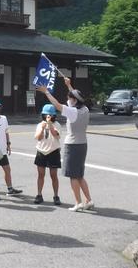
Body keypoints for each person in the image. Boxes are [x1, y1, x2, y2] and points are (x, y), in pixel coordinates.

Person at [38, 77, 94, 212]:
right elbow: (75, 97)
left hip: (73, 145)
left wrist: (46, 92)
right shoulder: (85, 109)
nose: (68, 100)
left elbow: (56, 105)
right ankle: (89, 200)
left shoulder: (72, 112)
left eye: (70, 98)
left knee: (73, 175)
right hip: (83, 144)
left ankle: (78, 202)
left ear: (74, 101)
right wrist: (69, 85)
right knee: (79, 174)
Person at [0, 99, 22, 200]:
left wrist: (8, 144)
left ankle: (10, 189)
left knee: (7, 169)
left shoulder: (4, 118)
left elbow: (6, 131)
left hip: (2, 150)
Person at [33, 104, 62, 205]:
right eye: (46, 115)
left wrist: (50, 125)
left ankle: (56, 195)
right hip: (41, 151)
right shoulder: (40, 124)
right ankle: (39, 195)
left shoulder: (57, 124)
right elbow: (38, 137)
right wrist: (42, 128)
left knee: (53, 175)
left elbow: (57, 136)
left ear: (54, 116)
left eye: (50, 115)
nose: (48, 117)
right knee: (41, 174)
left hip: (53, 151)